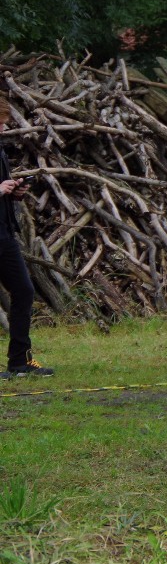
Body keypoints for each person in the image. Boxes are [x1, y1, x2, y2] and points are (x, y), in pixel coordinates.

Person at [0, 94, 53, 380]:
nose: (4, 128)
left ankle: (19, 362)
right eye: (0, 123)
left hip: (4, 233)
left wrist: (15, 192)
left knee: (23, 290)